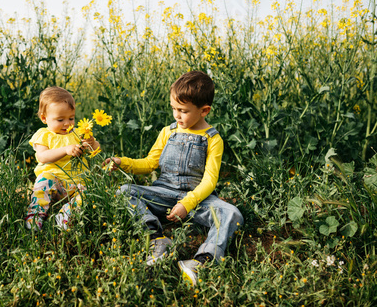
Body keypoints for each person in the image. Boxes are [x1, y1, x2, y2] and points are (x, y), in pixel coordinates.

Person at [104, 71, 243, 286]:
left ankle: (201, 261)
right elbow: (150, 163)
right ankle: (157, 240)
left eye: (183, 111)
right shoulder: (167, 132)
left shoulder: (213, 139)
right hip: (164, 192)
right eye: (174, 109)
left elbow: (209, 181)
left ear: (204, 110)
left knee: (232, 213)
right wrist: (123, 162)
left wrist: (187, 204)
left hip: (197, 199)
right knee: (124, 191)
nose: (177, 115)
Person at [25, 86, 99, 231]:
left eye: (71, 118)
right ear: (44, 118)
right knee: (43, 181)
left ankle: (66, 215)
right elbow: (42, 156)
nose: (67, 123)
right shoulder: (44, 135)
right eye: (60, 119)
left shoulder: (78, 133)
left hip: (77, 183)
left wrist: (92, 143)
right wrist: (65, 150)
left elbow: (96, 149)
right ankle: (35, 215)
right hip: (55, 181)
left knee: (87, 194)